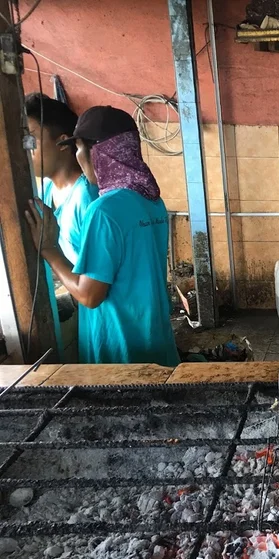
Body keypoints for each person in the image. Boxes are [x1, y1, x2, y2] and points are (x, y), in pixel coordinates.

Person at [25, 106, 181, 367]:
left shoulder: (104, 209)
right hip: (155, 338)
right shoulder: (151, 199)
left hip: (120, 347)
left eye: (79, 149)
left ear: (98, 152)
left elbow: (89, 296)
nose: (78, 157)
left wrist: (50, 250)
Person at [25, 93, 99, 265]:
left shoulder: (87, 199)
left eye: (32, 140)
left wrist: (48, 250)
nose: (26, 149)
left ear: (63, 143)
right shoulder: (46, 188)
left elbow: (94, 288)